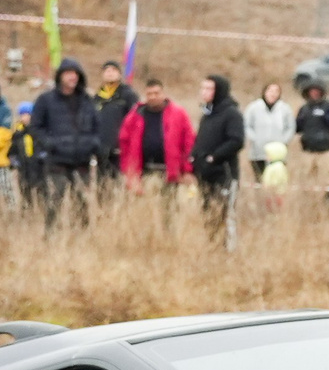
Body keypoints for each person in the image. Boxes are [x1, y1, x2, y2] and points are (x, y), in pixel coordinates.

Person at [27, 58, 102, 228]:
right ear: (60, 76)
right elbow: (35, 127)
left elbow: (97, 126)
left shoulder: (87, 100)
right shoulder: (45, 100)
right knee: (54, 203)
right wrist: (49, 144)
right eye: (68, 73)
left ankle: (81, 237)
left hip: (82, 161)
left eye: (75, 73)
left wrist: (93, 144)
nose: (72, 77)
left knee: (82, 203)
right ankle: (52, 237)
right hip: (56, 161)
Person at [118, 77, 195, 209]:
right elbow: (124, 143)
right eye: (149, 94)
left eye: (156, 93)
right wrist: (129, 172)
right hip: (144, 173)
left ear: (163, 93)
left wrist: (188, 169)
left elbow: (189, 143)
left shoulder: (178, 114)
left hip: (169, 173)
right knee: (144, 210)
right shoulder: (135, 115)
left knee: (169, 210)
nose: (153, 97)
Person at [193, 74, 246, 246]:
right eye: (203, 88)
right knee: (209, 213)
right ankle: (213, 246)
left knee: (225, 214)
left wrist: (214, 157)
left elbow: (236, 141)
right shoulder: (207, 114)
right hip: (205, 174)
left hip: (224, 173)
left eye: (209, 88)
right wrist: (195, 158)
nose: (204, 92)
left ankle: (228, 250)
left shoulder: (231, 113)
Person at [93, 62, 139, 186]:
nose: (110, 73)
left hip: (121, 151)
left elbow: (136, 122)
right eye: (107, 70)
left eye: (113, 70)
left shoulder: (128, 95)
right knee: (102, 186)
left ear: (119, 74)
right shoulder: (97, 98)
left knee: (120, 185)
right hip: (101, 151)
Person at [294, 82, 329, 194]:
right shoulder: (304, 109)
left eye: (317, 91)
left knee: (328, 177)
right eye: (312, 91)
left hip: (325, 150)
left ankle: (327, 198)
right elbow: (297, 128)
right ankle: (307, 198)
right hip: (308, 150)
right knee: (305, 177)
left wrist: (325, 116)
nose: (314, 94)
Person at [8, 101, 40, 212]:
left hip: (38, 166)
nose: (25, 118)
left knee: (40, 192)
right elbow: (12, 149)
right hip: (23, 166)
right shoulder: (17, 132)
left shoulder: (38, 130)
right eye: (22, 115)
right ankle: (27, 213)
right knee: (25, 192)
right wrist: (13, 161)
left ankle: (41, 212)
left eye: (27, 115)